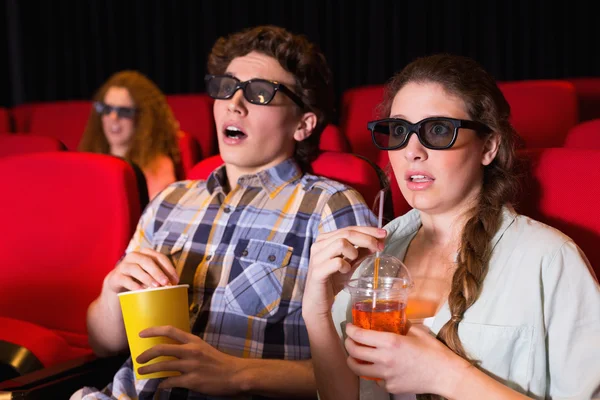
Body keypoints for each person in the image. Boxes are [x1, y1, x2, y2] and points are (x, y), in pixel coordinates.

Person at [74, 25, 377, 400]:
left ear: (303, 124)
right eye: (226, 87)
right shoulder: (171, 200)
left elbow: (364, 373)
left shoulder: (331, 207)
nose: (234, 103)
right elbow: (104, 344)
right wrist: (111, 292)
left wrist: (237, 374)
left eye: (260, 93)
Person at [302, 53, 600, 400]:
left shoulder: (550, 260)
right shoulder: (371, 258)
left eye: (438, 130)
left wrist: (446, 376)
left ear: (488, 146)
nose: (412, 151)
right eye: (399, 131)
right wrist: (317, 311)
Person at [79, 70, 182, 200]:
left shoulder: (158, 167)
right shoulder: (88, 160)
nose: (113, 117)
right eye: (107, 109)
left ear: (143, 119)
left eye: (124, 111)